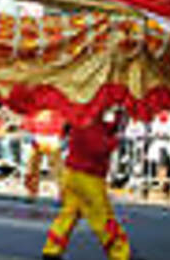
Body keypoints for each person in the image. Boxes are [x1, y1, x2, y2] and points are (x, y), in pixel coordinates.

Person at [42, 108, 142, 260]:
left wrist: (120, 119)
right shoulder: (87, 121)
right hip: (88, 177)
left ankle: (51, 249)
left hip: (73, 174)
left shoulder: (83, 117)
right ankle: (120, 254)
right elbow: (99, 147)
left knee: (68, 214)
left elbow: (103, 129)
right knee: (102, 216)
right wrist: (117, 139)